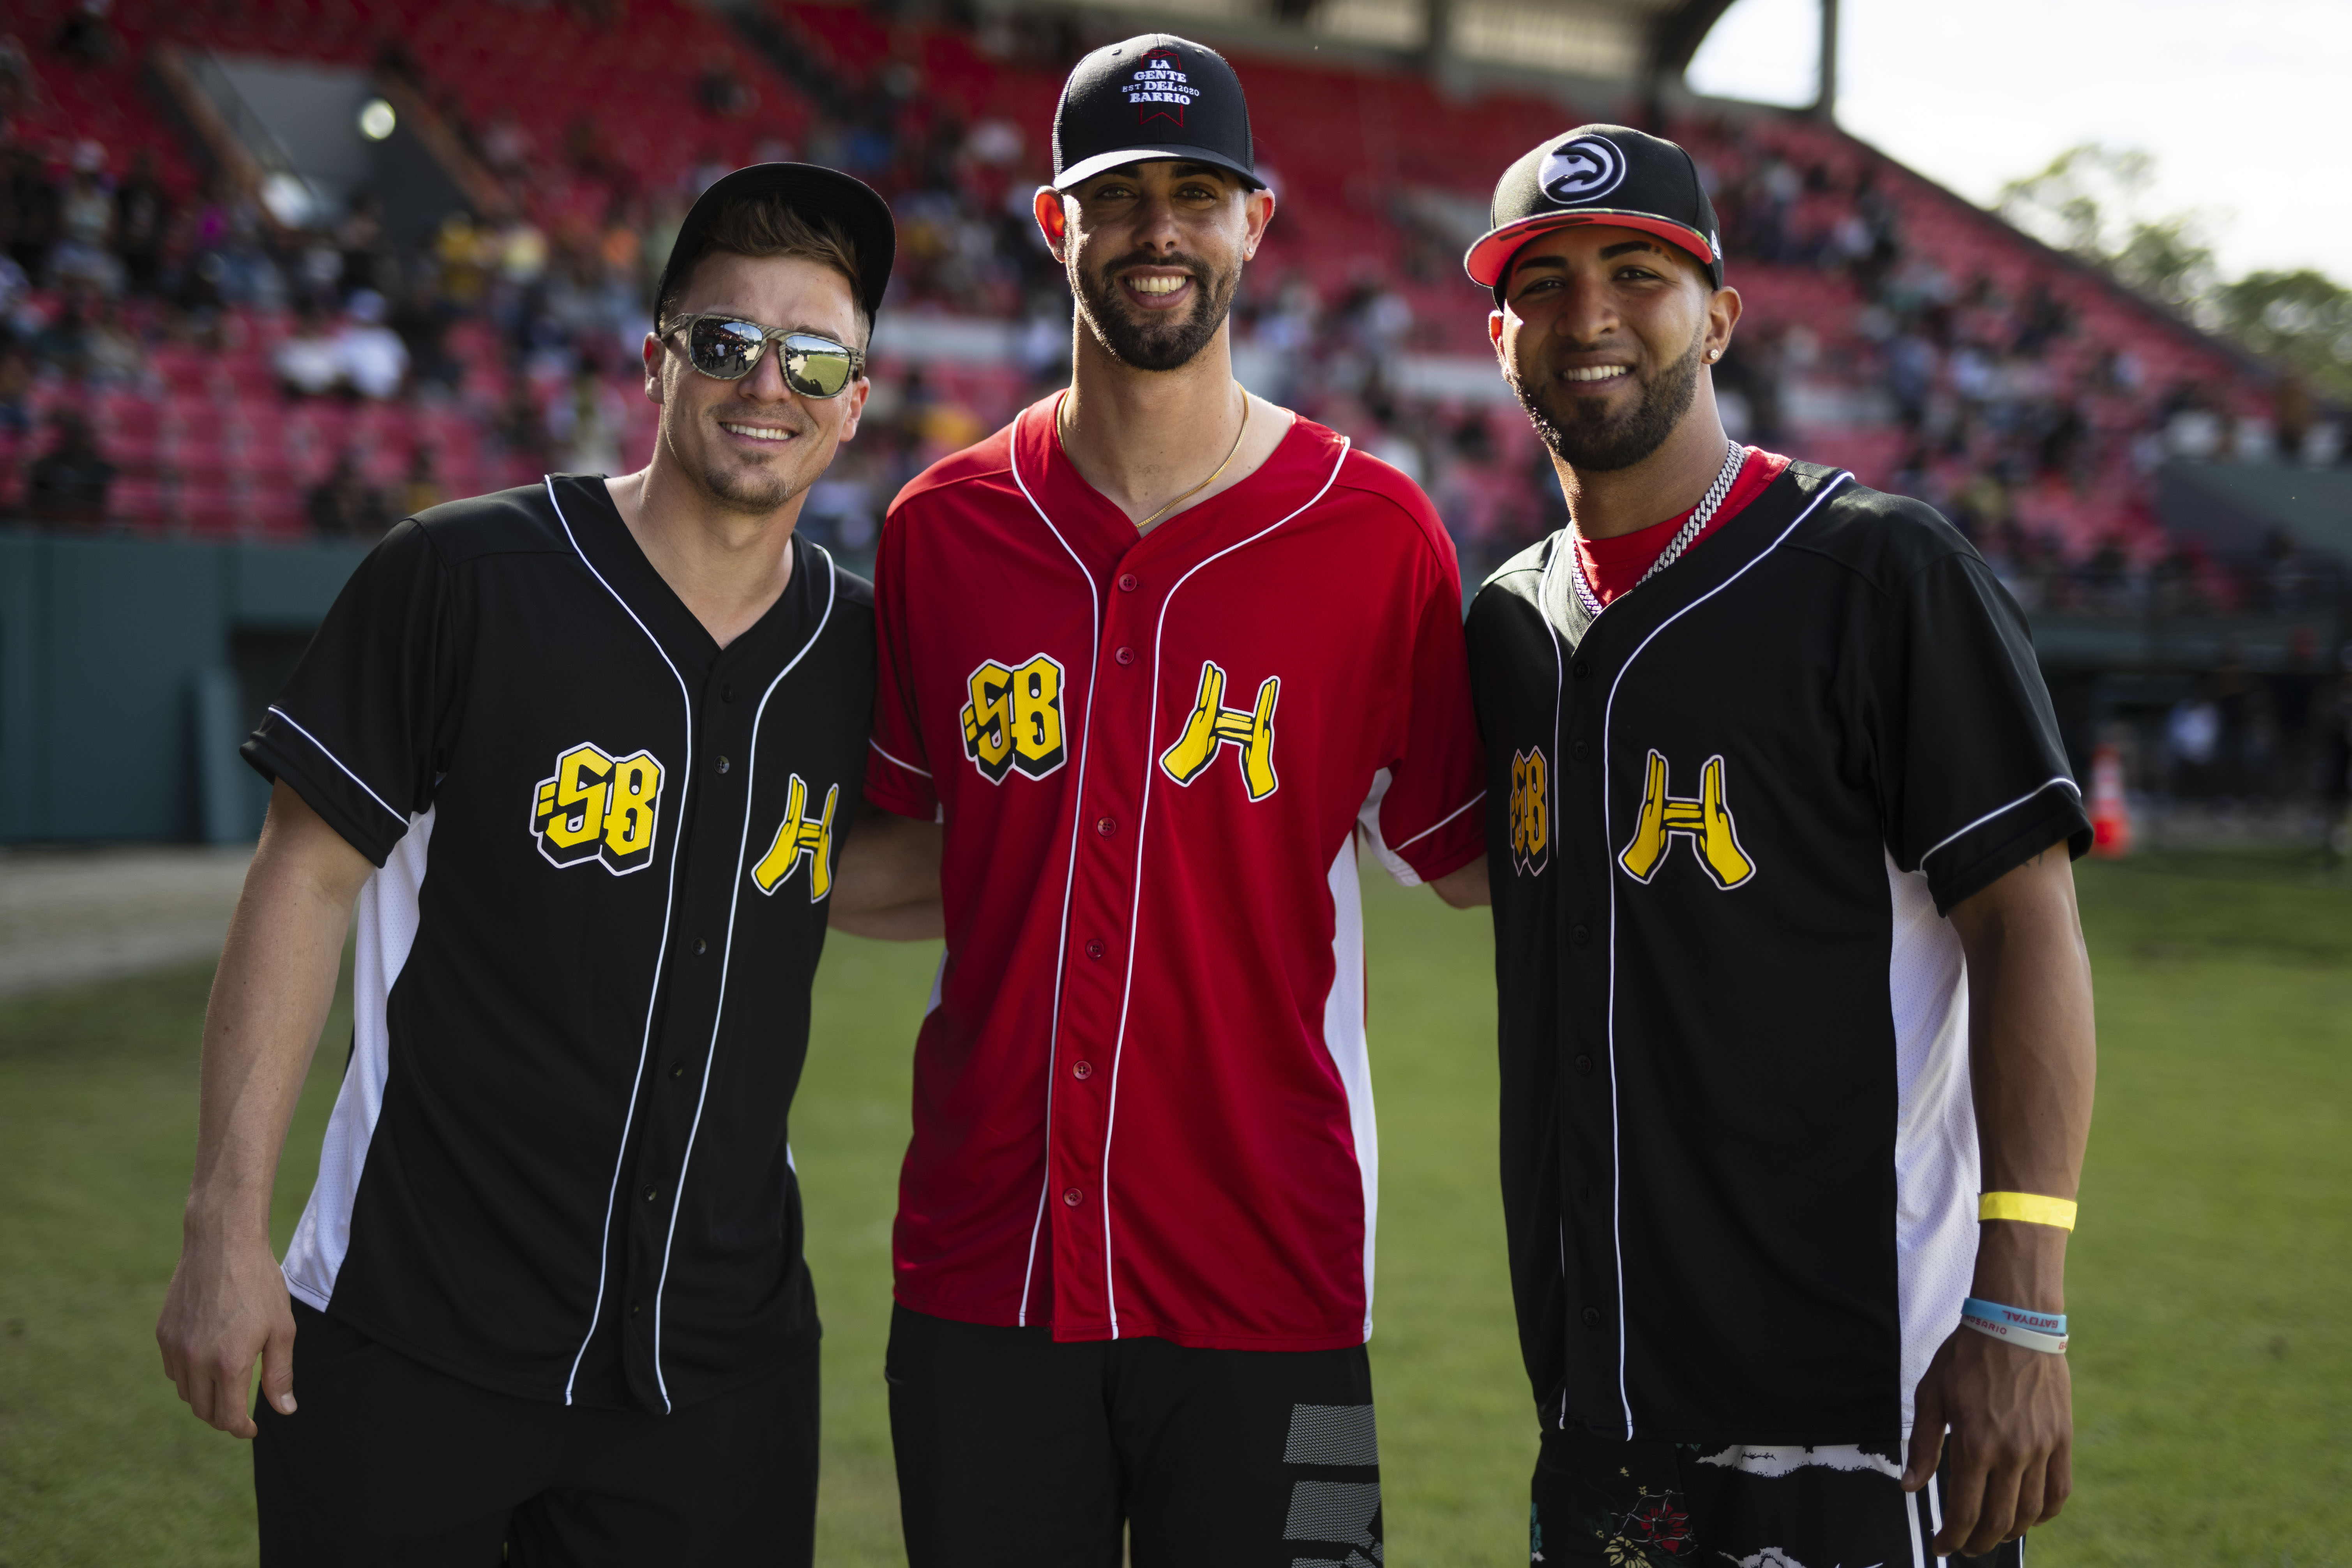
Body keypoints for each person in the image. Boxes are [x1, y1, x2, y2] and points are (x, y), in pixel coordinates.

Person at [154, 164, 936, 1564]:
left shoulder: (859, 650)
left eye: (816, 353)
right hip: (414, 1327)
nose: (771, 381)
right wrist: (224, 1231)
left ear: (859, 396)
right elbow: (305, 879)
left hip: (718, 1366)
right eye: (726, 341)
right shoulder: (463, 575)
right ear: (654, 360)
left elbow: (860, 874)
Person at [857, 35, 1489, 1566]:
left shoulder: (1376, 533)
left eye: (1197, 193)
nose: (1159, 228)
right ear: (1054, 221)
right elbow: (893, 857)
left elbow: (1478, 862)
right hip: (984, 1274)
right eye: (1119, 193)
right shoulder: (942, 531)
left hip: (1273, 1281)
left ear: (1257, 224)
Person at [1457, 125, 2098, 1567]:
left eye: (1639, 273)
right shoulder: (1503, 627)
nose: (1590, 315)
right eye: (1543, 284)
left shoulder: (1878, 569)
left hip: (1864, 1400)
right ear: (1500, 338)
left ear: (1720, 317)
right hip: (1607, 1407)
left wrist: (2022, 1303)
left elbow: (2028, 925)